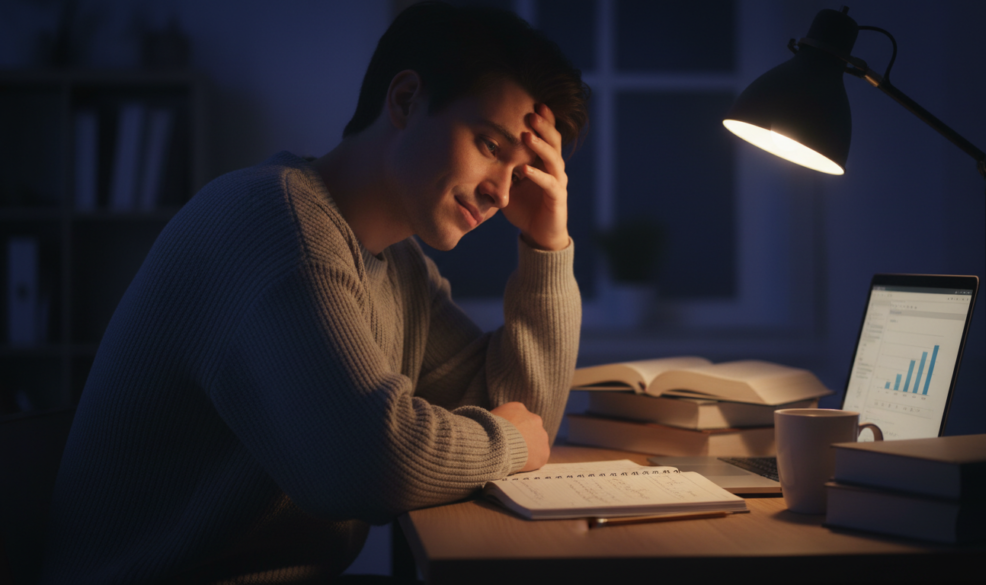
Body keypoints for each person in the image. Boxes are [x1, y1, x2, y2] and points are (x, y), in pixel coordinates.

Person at [40, 2, 588, 583]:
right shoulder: (272, 224)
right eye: (491, 146)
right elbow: (369, 461)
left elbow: (522, 413)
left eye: (523, 172)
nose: (501, 194)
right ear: (404, 100)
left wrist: (546, 246)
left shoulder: (399, 266)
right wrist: (503, 441)